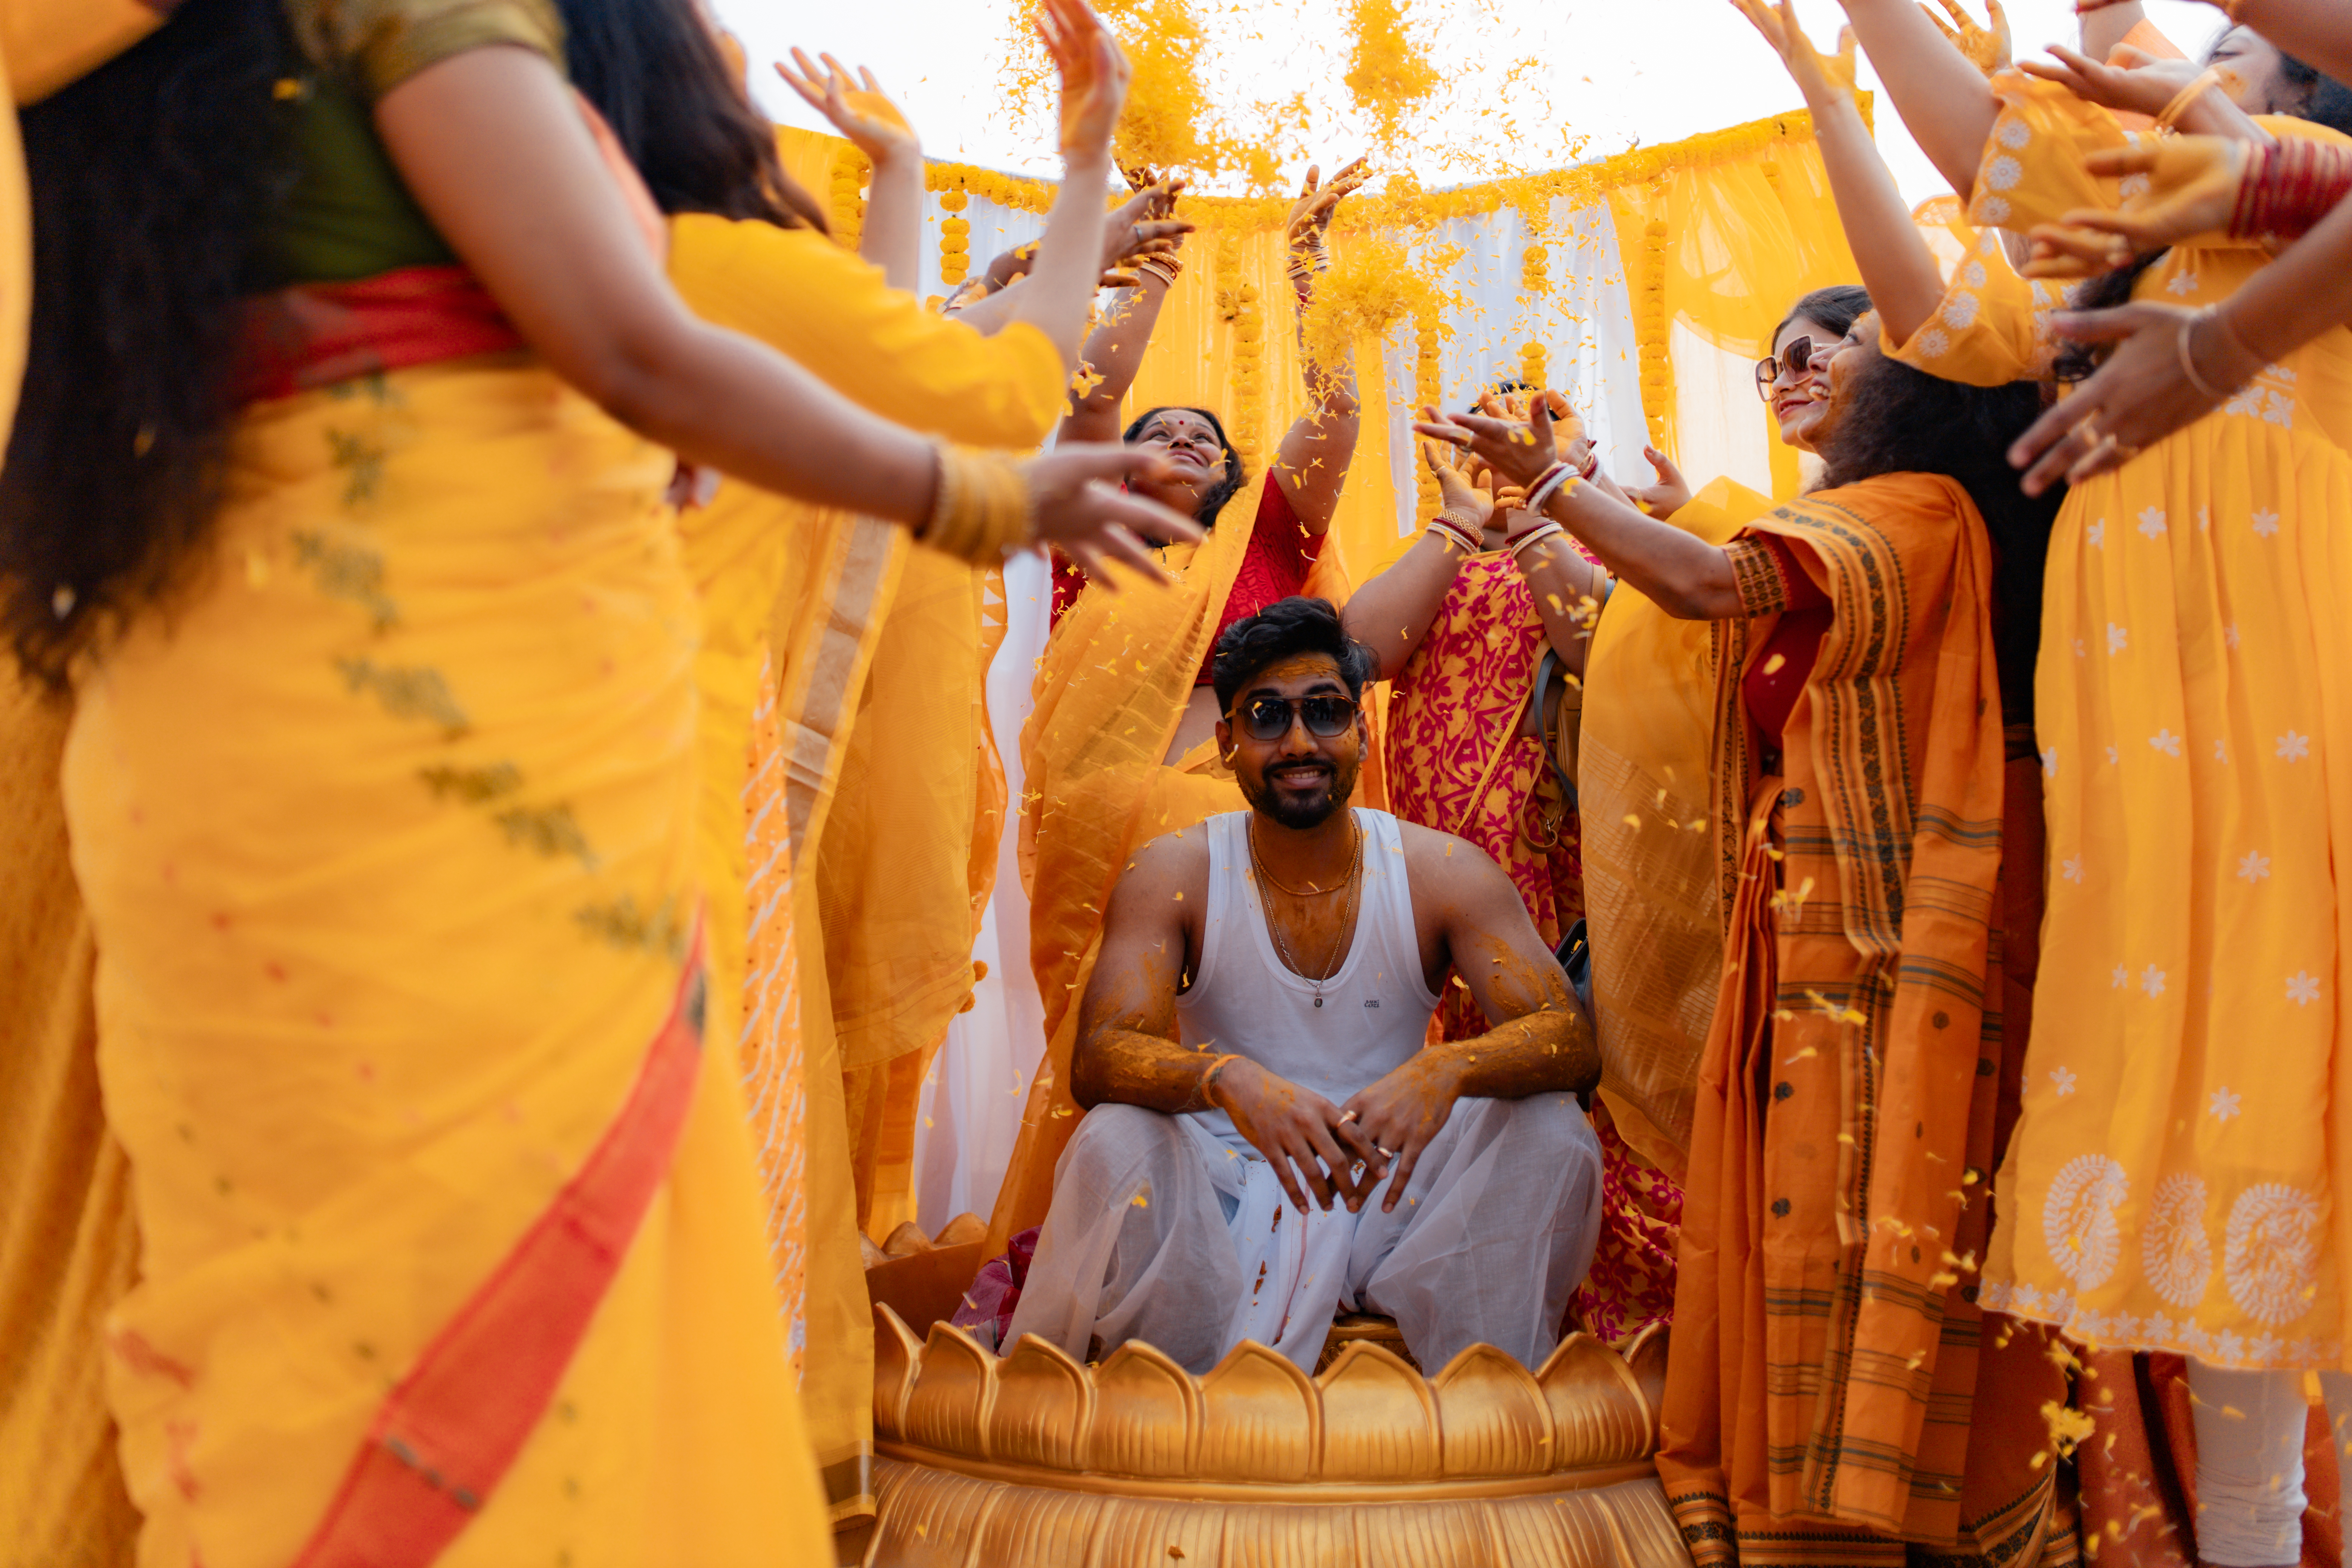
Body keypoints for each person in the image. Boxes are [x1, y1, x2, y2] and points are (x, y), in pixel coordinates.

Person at [0, 0, 1194, 1561]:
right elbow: (687, 349)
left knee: (289, 1308)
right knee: (565, 1310)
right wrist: (983, 471)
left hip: (192, 749)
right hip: (514, 800)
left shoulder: (143, 115)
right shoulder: (659, 265)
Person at [556, 0, 1173, 1522]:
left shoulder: (460, 285)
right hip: (677, 831)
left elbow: (874, 350)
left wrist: (898, 170)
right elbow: (993, 392)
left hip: (469, 809)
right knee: (659, 1238)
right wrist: (1084, 159)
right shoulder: (711, 284)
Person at [1821, 1, 2352, 1557]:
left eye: (2229, 56)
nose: (2169, 78)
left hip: (2302, 732)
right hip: (2158, 760)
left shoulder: (2310, 183)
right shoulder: (2141, 242)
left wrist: (2189, 91)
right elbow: (1988, 138)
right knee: (2221, 1177)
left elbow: (2240, 152)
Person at [1420, 299, 2066, 1565]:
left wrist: (1558, 488)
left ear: (1930, 376)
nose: (1801, 367)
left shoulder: (1915, 513)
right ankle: (1816, 1510)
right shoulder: (1847, 517)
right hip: (1806, 914)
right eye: (1776, 356)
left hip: (1888, 928)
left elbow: (1714, 585)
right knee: (1802, 1211)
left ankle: (1882, 1517)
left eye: (1841, 338)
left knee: (1867, 1208)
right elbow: (1645, 621)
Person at [1003, 596, 1604, 1375]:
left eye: (1325, 712)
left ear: (1362, 729)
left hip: (1394, 1197)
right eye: (1265, 717)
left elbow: (1570, 1039)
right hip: (1225, 1193)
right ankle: (1160, 1407)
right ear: (1226, 743)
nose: (1298, 743)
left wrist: (1446, 1067)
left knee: (1554, 1127)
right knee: (1113, 1134)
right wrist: (1228, 1081)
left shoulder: (1443, 873)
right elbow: (1101, 1059)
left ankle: (1475, 1393)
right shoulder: (1174, 872)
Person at [985, 155, 1374, 1260]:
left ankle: (1274, 1263)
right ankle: (1094, 1262)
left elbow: (1334, 419)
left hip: (1247, 832)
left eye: (1205, 438)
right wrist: (1144, 269)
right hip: (1101, 830)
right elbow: (1093, 396)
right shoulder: (1089, 536)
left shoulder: (1268, 540)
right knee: (1113, 1045)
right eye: (1160, 435)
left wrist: (1311, 275)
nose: (1183, 441)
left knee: (1255, 1042)